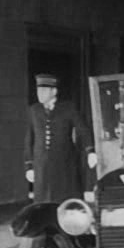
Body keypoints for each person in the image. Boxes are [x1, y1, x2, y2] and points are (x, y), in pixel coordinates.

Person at [24, 74, 97, 203]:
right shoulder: (34, 110)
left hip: (64, 164)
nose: (40, 94)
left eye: (44, 90)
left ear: (54, 91)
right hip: (41, 166)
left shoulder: (68, 108)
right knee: (42, 202)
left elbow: (83, 130)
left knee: (66, 200)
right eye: (38, 90)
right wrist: (29, 166)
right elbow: (29, 140)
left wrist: (90, 151)